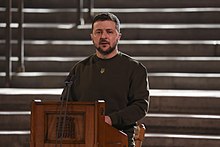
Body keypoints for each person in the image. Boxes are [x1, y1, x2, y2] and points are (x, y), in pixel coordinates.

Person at [61, 12, 150, 147]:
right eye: (98, 32)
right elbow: (65, 104)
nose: (103, 36)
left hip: (119, 138)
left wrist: (110, 120)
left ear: (118, 36)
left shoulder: (135, 69)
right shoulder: (79, 69)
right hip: (81, 139)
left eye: (109, 32)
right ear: (92, 37)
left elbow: (140, 106)